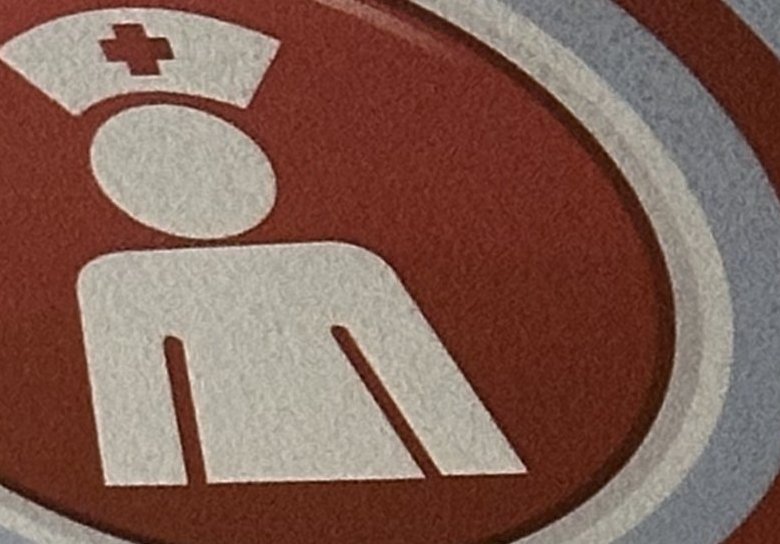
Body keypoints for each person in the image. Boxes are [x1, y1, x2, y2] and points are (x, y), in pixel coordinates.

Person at [74, 95, 526, 490]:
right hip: (267, 502)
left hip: (367, 491)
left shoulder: (345, 267)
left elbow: (452, 422)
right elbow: (142, 448)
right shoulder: (120, 282)